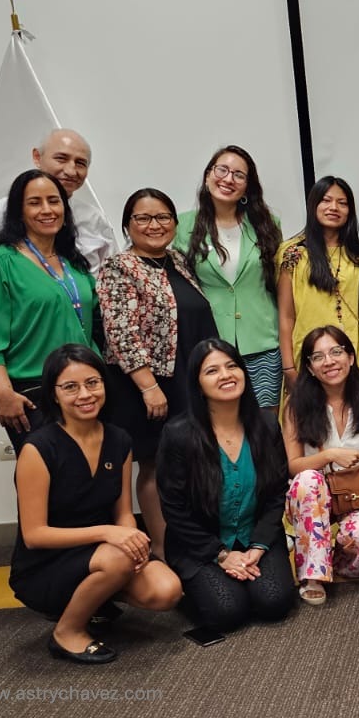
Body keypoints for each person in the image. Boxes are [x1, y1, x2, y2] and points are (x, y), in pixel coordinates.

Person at [10, 345, 183, 664]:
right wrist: (110, 535)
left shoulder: (119, 440)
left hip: (102, 552)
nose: (84, 394)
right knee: (117, 559)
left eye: (92, 383)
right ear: (54, 394)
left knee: (167, 589)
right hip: (45, 564)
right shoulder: (37, 448)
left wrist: (132, 540)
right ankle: (67, 632)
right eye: (70, 387)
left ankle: (95, 601)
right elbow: (34, 534)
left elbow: (122, 512)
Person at [96, 189, 218, 556]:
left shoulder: (177, 261)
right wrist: (148, 386)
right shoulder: (119, 268)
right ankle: (164, 550)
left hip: (187, 379)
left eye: (163, 217)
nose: (154, 225)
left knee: (189, 463)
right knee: (154, 465)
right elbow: (120, 332)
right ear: (127, 225)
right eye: (143, 218)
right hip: (149, 386)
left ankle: (195, 543)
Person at [157, 339, 294, 632]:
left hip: (255, 537)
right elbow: (174, 509)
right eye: (212, 371)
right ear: (197, 383)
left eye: (232, 366)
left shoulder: (266, 425)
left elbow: (276, 494)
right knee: (227, 612)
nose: (226, 375)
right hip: (200, 545)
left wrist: (257, 547)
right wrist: (221, 555)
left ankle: (245, 572)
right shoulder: (178, 435)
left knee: (274, 602)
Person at [0, 169, 99, 452]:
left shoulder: (73, 263)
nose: (47, 210)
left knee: (89, 482)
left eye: (54, 201)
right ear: (18, 211)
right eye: (34, 202)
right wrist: (3, 393)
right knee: (45, 487)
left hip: (85, 390)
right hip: (33, 394)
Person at [282, 326, 359, 606]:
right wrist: (331, 456)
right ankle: (313, 575)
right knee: (307, 480)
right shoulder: (295, 405)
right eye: (318, 356)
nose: (329, 361)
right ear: (311, 368)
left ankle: (341, 553)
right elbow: (293, 465)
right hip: (316, 494)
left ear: (351, 358)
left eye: (336, 352)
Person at [175, 145, 286, 412]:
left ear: (248, 187)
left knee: (265, 420)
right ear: (207, 176)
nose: (228, 179)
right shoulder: (182, 225)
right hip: (210, 342)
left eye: (239, 174)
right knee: (217, 420)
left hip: (262, 339)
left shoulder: (267, 223)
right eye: (222, 170)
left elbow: (278, 282)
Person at [277, 177, 359, 394]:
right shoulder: (293, 253)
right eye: (326, 200)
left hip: (356, 354)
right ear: (313, 205)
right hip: (309, 356)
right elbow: (286, 316)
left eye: (342, 203)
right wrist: (288, 366)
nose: (334, 208)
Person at [0, 128, 117, 269]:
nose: (71, 171)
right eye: (61, 159)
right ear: (37, 157)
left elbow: (114, 276)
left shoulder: (94, 218)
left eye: (80, 163)